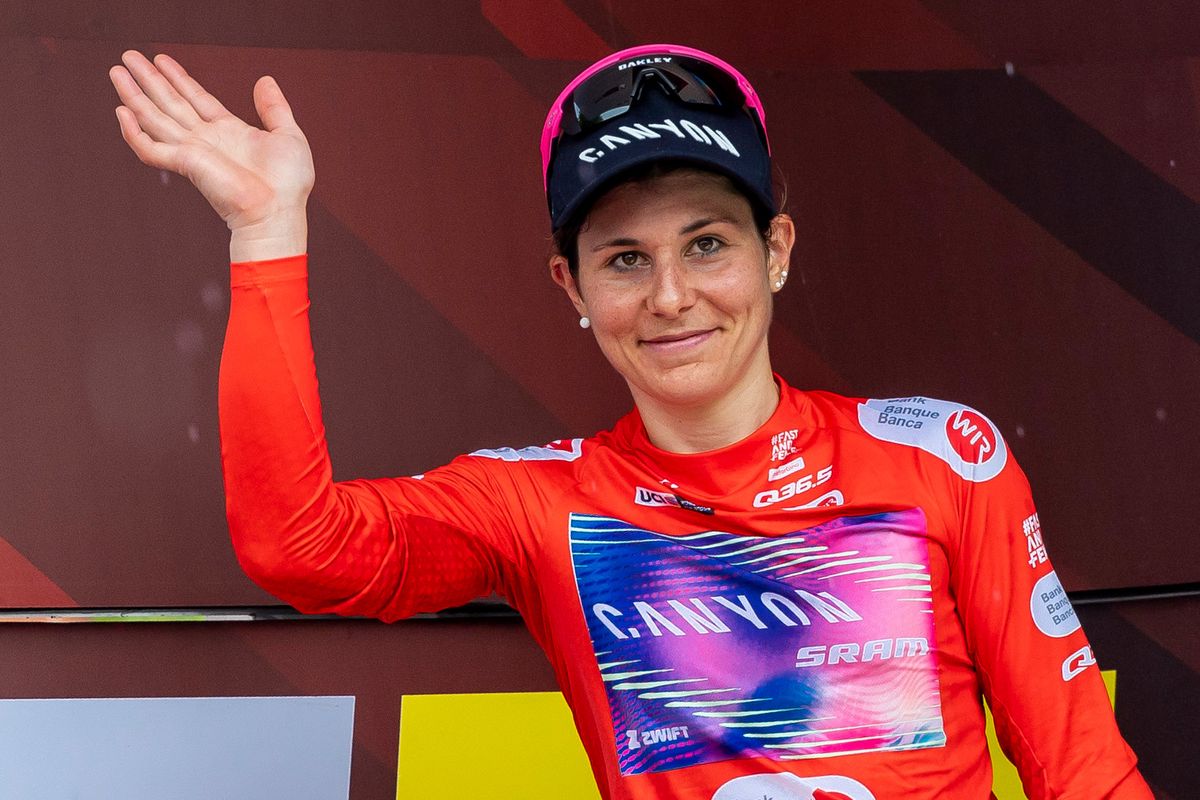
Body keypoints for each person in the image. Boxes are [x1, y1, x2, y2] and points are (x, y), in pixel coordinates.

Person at [109, 43, 1152, 800]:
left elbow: (1084, 770)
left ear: (776, 249)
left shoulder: (937, 458)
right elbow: (300, 548)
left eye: (708, 244)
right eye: (623, 258)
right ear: (571, 282)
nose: (669, 295)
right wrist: (266, 227)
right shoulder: (542, 502)